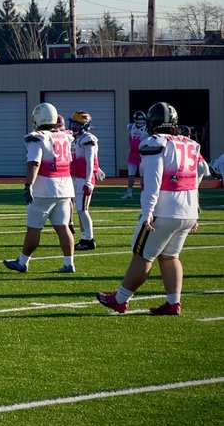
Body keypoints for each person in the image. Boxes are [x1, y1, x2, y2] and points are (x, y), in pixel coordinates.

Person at [97, 102, 200, 316]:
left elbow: (153, 180)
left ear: (152, 122)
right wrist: (196, 209)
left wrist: (147, 211)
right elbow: (200, 172)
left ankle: (120, 299)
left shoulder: (154, 142)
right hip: (187, 210)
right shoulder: (189, 143)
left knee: (143, 255)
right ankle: (173, 303)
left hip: (165, 210)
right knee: (170, 256)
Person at [3, 102, 76, 274]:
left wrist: (28, 184)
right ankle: (69, 263)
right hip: (65, 186)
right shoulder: (65, 136)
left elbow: (34, 163)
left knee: (34, 228)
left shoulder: (37, 137)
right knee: (62, 227)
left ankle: (23, 262)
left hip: (45, 187)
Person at [70, 111, 103, 251]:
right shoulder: (78, 138)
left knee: (83, 210)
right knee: (80, 209)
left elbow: (90, 160)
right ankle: (84, 238)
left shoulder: (88, 139)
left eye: (77, 123)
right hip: (77, 177)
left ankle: (89, 240)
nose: (74, 126)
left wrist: (89, 180)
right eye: (74, 123)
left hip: (84, 178)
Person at [122, 110, 148, 200]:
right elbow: (130, 136)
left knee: (143, 176)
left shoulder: (147, 128)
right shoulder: (131, 126)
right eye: (138, 119)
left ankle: (143, 193)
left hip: (142, 155)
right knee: (131, 174)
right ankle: (129, 193)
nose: (140, 121)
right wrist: (131, 146)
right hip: (133, 154)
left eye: (141, 119)